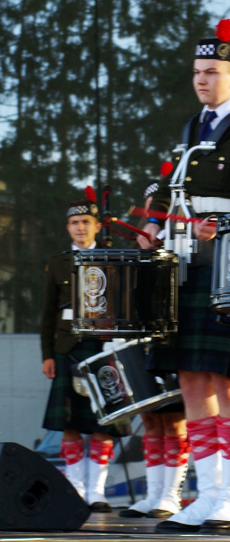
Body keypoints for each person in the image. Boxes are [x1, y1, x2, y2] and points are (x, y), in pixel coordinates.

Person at [137, 19, 230, 534]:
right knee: (191, 378)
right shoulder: (191, 128)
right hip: (185, 265)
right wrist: (153, 224)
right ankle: (205, 494)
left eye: (212, 72)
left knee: (226, 379)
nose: (201, 80)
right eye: (198, 72)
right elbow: (171, 187)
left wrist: (221, 225)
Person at [120, 175, 190, 519]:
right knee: (150, 420)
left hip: (172, 331)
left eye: (157, 208)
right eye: (149, 208)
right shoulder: (138, 245)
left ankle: (171, 495)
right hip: (144, 337)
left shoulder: (179, 241)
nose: (152, 214)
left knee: (175, 421)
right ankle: (153, 494)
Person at [41, 194, 116, 511]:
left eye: (86, 222)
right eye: (74, 222)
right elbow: (48, 314)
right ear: (67, 227)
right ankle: (75, 488)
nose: (80, 227)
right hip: (66, 348)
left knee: (104, 422)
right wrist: (47, 354)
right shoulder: (58, 263)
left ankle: (96, 491)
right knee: (70, 423)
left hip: (103, 347)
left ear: (97, 226)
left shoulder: (114, 258)